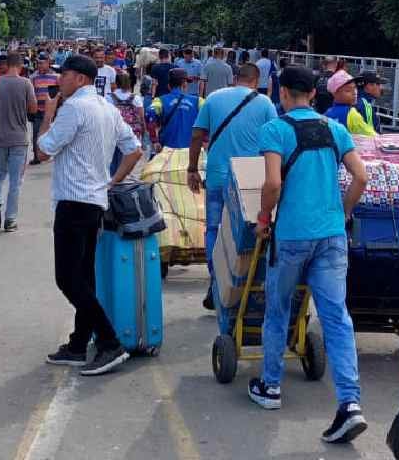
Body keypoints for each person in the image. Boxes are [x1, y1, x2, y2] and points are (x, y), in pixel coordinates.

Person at [249, 66, 370, 444]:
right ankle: (350, 403)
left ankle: (271, 387)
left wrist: (264, 218)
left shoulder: (276, 130)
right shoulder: (335, 130)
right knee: (336, 316)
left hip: (292, 235)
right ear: (314, 95)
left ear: (282, 93)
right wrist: (344, 212)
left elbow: (271, 183)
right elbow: (361, 178)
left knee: (278, 309)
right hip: (332, 234)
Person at [36, 54, 143, 377]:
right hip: (94, 201)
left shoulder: (74, 108)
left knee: (67, 278)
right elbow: (134, 149)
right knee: (84, 276)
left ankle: (109, 342)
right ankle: (79, 343)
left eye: (64, 75)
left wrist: (48, 115)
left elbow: (43, 150)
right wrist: (112, 181)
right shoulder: (108, 108)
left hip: (73, 200)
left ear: (80, 78)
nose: (59, 80)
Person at [187, 63, 276, 310]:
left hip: (217, 176)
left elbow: (196, 135)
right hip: (250, 181)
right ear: (256, 80)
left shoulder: (213, 99)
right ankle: (248, 285)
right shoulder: (265, 104)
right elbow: (276, 140)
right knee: (253, 230)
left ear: (235, 78)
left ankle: (217, 283)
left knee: (214, 230)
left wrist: (192, 168)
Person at [0, 53, 37, 232]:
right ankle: (10, 219)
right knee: (15, 180)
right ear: (21, 65)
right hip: (19, 138)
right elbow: (32, 108)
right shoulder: (26, 83)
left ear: (7, 65)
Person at [150, 68, 201, 151]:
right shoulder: (198, 101)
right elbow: (210, 117)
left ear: (169, 86)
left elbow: (149, 114)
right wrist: (205, 139)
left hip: (167, 150)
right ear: (184, 84)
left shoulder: (160, 101)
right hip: (189, 151)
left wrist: (154, 140)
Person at [108, 71, 147, 174]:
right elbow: (141, 118)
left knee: (114, 157)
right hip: (131, 133)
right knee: (127, 158)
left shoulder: (109, 98)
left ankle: (113, 178)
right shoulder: (135, 98)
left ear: (116, 83)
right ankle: (121, 179)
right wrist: (143, 135)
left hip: (114, 131)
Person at [323, 70, 378, 137]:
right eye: (348, 90)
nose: (354, 92)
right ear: (334, 93)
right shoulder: (351, 113)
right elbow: (372, 136)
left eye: (355, 88)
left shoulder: (327, 113)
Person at [30, 53, 60, 164]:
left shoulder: (56, 77)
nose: (40, 65)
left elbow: (60, 93)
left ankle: (54, 154)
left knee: (54, 134)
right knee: (37, 134)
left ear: (48, 63)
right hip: (38, 111)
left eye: (42, 63)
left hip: (52, 112)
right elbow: (31, 94)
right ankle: (37, 156)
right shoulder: (33, 77)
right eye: (38, 63)